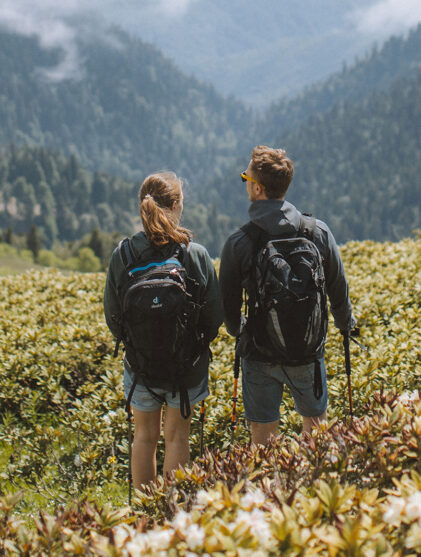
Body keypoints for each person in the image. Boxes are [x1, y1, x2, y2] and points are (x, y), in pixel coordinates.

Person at [219, 145, 356, 446]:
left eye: (245, 178)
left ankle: (269, 491)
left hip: (259, 353)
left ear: (257, 188)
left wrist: (238, 330)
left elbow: (227, 306)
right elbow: (338, 286)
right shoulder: (317, 232)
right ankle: (310, 486)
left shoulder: (239, 243)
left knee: (263, 442)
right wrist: (346, 325)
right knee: (317, 432)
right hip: (307, 350)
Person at [104, 171, 222, 487]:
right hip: (186, 368)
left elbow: (112, 316)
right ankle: (171, 515)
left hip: (141, 365)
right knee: (177, 439)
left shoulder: (124, 254)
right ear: (176, 206)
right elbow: (214, 317)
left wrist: (138, 343)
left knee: (143, 438)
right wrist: (193, 345)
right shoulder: (194, 253)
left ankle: (145, 515)